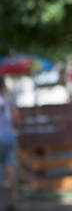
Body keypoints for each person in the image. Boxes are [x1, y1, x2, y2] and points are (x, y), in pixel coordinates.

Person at [0, 77, 20, 210]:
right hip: (10, 137)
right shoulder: (8, 101)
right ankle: (14, 201)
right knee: (11, 168)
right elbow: (17, 120)